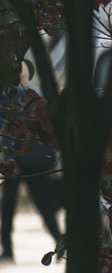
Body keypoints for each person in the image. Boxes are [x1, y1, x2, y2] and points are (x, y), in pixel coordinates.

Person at [0, 57, 65, 261]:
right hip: (38, 160)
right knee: (45, 208)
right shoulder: (38, 98)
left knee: (9, 209)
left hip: (19, 161)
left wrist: (10, 159)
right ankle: (59, 243)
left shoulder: (7, 99)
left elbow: (6, 132)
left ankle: (8, 249)